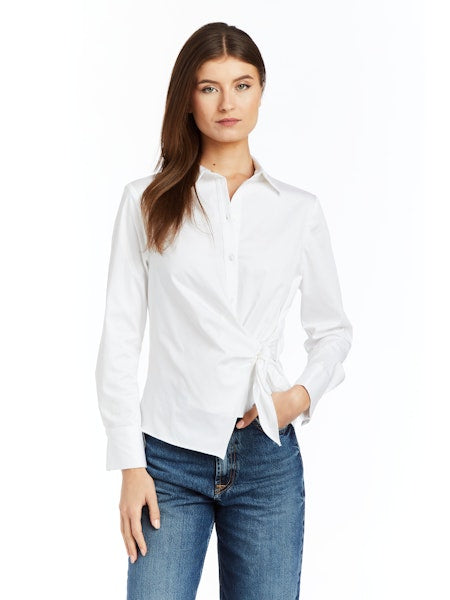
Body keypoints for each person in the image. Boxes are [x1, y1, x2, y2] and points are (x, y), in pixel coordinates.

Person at [95, 21, 353, 600]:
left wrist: (299, 397)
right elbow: (119, 338)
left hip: (267, 458)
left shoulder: (298, 210)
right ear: (187, 98)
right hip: (167, 459)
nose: (227, 103)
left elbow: (333, 330)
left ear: (261, 91)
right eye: (209, 87)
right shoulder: (147, 201)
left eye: (242, 85)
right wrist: (129, 464)